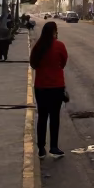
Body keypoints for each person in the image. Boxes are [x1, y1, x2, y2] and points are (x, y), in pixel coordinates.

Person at [30, 21, 68, 159]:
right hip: (56, 86)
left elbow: (33, 63)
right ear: (54, 32)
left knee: (42, 116)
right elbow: (63, 62)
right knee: (54, 117)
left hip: (40, 86)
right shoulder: (59, 46)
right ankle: (54, 147)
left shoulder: (38, 47)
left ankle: (41, 148)